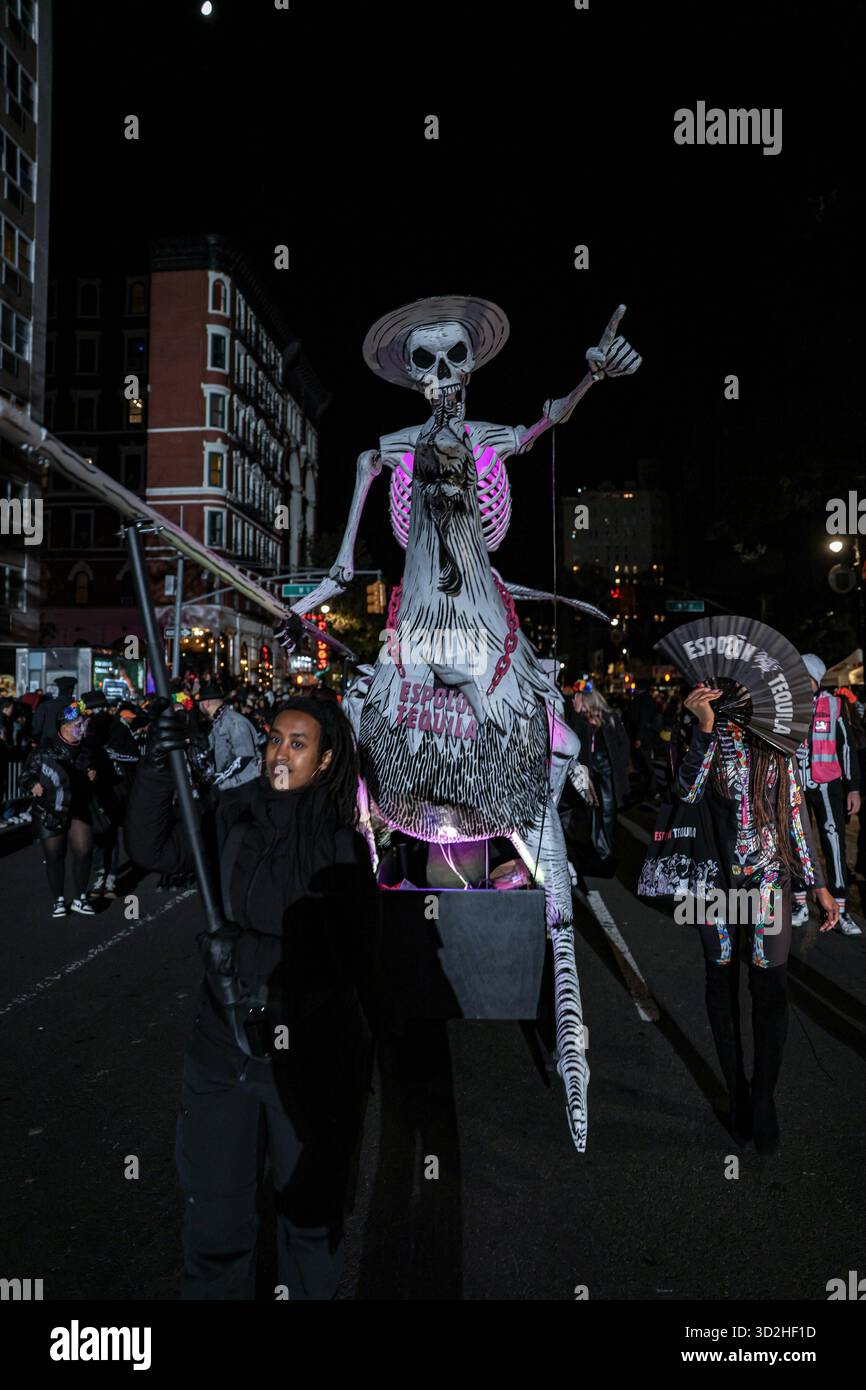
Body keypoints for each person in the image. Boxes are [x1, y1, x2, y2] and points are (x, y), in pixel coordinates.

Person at [125, 695, 381, 1300]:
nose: (279, 754)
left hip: (309, 1068)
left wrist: (241, 953)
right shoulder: (233, 812)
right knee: (214, 1226)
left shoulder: (344, 843)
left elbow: (348, 957)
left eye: (298, 744)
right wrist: (158, 767)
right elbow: (153, 849)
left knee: (309, 1227)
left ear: (324, 761)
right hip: (220, 1056)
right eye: (274, 739)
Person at [640, 681, 839, 1155]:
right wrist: (705, 728)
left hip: (768, 877)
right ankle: (737, 1093)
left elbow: (795, 815)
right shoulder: (696, 729)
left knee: (770, 988)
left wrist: (820, 886)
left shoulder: (778, 739)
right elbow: (684, 793)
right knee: (721, 978)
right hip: (712, 879)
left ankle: (764, 1097)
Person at [792, 654, 861, 935]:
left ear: (815, 680)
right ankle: (800, 904)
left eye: (803, 675)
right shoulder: (786, 707)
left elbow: (846, 747)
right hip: (794, 785)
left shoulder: (833, 705)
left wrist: (853, 787)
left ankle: (840, 909)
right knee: (796, 844)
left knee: (833, 843)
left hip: (827, 784)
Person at [20, 699, 98, 918]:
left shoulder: (86, 749)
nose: (82, 728)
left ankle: (80, 897)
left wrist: (93, 774)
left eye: (83, 724)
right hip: (50, 808)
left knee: (84, 849)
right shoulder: (45, 749)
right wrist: (32, 785)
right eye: (78, 724)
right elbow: (25, 776)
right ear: (64, 727)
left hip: (77, 807)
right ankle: (58, 900)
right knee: (55, 855)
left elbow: (91, 771)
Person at [571, 686, 630, 862]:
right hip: (590, 771)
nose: (576, 702)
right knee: (593, 810)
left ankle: (605, 850)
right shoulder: (582, 720)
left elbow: (623, 744)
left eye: (579, 699)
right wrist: (576, 713)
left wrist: (620, 766)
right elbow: (573, 737)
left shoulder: (610, 718)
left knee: (607, 810)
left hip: (608, 770)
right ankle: (599, 847)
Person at [198, 681, 261, 793]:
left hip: (243, 789)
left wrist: (221, 776)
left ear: (206, 703)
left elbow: (244, 756)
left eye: (200, 703)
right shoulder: (217, 724)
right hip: (231, 788)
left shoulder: (234, 722)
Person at [626, 678, 662, 801]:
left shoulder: (642, 701)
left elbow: (642, 720)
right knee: (644, 763)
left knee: (645, 764)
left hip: (642, 737)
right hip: (646, 736)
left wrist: (638, 738)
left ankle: (651, 789)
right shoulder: (648, 700)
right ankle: (646, 788)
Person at [31, 675, 77, 744]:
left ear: (59, 689)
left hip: (48, 747)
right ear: (71, 690)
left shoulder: (45, 706)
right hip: (72, 749)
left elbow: (36, 729)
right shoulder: (77, 707)